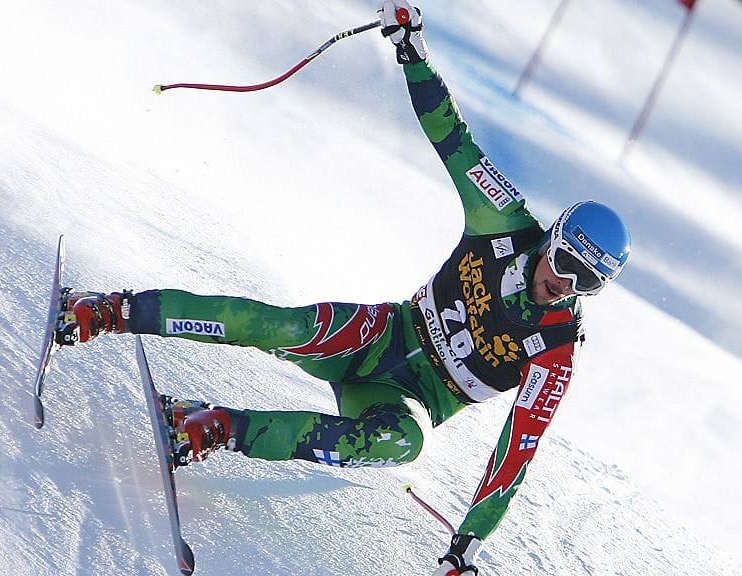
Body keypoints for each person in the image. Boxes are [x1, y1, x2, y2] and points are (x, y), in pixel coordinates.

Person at [58, 2, 630, 574]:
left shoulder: (554, 352)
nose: (563, 283)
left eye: (585, 282)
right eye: (563, 262)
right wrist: (412, 51)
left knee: (402, 444)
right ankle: (111, 311)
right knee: (283, 328)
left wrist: (465, 549)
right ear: (550, 238)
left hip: (413, 399)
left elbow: (515, 453)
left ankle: (215, 426)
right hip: (382, 335)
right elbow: (454, 141)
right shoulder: (503, 220)